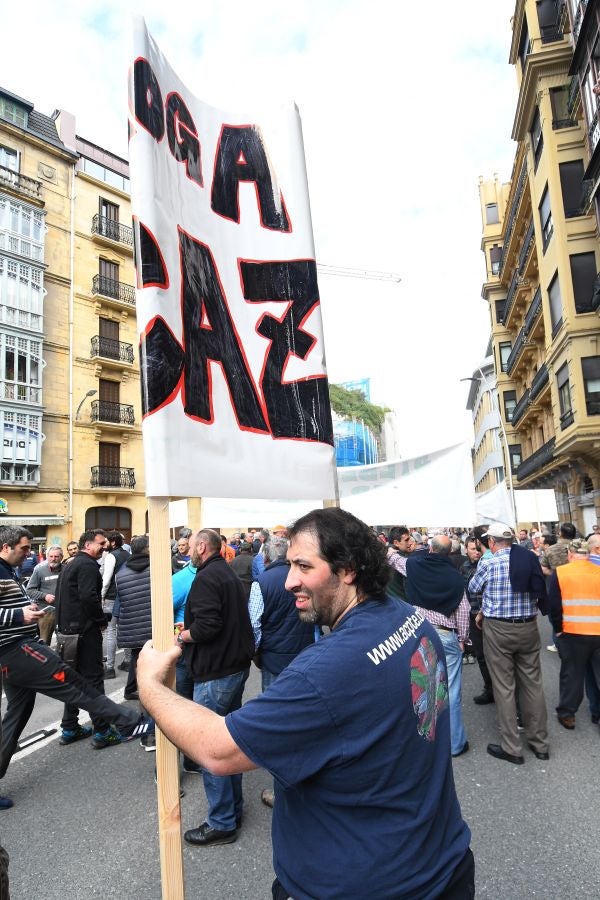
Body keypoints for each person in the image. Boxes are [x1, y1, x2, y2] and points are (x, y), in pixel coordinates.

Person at [138, 508, 474, 899]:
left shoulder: (325, 671)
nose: (289, 581)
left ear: (347, 569)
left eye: (303, 566)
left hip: (364, 884)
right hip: (438, 863)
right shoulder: (407, 617)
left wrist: (151, 686)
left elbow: (217, 749)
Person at [0, 527, 151, 795]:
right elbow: (87, 598)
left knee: (16, 717)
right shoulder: (83, 566)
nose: (28, 554)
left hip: (25, 647)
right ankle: (128, 721)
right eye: (24, 548)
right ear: (5, 546)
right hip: (17, 649)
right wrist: (18, 616)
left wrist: (27, 608)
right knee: (75, 682)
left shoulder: (11, 569)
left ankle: (76, 727)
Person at [176, 529, 254, 846]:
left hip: (216, 672)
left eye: (192, 547)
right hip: (231, 666)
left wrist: (183, 635)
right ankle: (233, 810)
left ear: (202, 547)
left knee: (211, 748)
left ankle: (222, 821)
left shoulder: (208, 577)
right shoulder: (224, 572)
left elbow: (208, 626)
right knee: (228, 742)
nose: (188, 551)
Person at [53, 529, 150, 749]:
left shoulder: (70, 564)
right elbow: (89, 596)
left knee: (74, 680)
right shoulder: (87, 565)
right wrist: (100, 619)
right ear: (87, 545)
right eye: (100, 543)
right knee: (94, 681)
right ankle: (103, 731)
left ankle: (69, 727)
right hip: (84, 633)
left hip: (68, 632)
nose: (105, 546)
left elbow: (64, 598)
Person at [469, 522, 549, 765]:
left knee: (504, 686)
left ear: (491, 542)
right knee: (532, 683)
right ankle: (540, 743)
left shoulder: (489, 561)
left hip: (499, 628)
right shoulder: (528, 558)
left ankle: (512, 747)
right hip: (527, 626)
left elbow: (473, 588)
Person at [248, 534, 315, 806]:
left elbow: (254, 625)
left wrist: (255, 652)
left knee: (278, 724)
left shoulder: (261, 583)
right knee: (305, 718)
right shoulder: (303, 577)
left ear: (265, 557)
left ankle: (283, 789)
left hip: (274, 659)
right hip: (304, 653)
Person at [406, 534, 471, 757]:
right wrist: (463, 638)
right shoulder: (454, 577)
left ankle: (425, 740)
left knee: (424, 686)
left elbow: (395, 561)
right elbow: (463, 610)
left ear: (430, 549)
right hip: (446, 634)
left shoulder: (415, 567)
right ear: (450, 552)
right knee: (451, 690)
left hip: (420, 632)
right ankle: (455, 743)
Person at [547, 540, 600, 729]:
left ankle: (567, 715)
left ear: (570, 554)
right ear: (588, 555)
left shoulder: (561, 573)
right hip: (598, 633)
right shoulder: (598, 572)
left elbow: (554, 604)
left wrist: (558, 629)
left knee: (572, 675)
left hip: (572, 633)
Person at [115, 535, 152, 708]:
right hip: (150, 623)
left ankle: (130, 688)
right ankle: (146, 697)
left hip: (131, 624)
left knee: (137, 656)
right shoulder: (154, 569)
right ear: (146, 549)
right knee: (150, 663)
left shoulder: (121, 572)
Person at [460, 537, 494, 704]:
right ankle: (489, 689)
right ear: (466, 549)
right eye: (472, 549)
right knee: (480, 655)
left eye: (477, 549)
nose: (475, 552)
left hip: (491, 615)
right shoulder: (464, 567)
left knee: (496, 655)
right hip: (473, 615)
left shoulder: (489, 563)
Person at [101, 532, 130, 679]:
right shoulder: (127, 554)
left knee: (110, 631)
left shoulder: (111, 556)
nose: (103, 544)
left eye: (105, 542)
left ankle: (110, 667)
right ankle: (127, 661)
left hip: (112, 597)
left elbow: (106, 580)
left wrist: (101, 596)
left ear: (112, 542)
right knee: (124, 629)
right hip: (126, 595)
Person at [26, 546, 64, 645]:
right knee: (44, 641)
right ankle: (44, 660)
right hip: (46, 611)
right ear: (47, 556)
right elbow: (29, 590)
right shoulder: (39, 570)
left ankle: (61, 659)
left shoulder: (67, 570)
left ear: (61, 557)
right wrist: (45, 596)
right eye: (51, 556)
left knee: (65, 640)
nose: (53, 559)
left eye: (56, 556)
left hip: (64, 610)